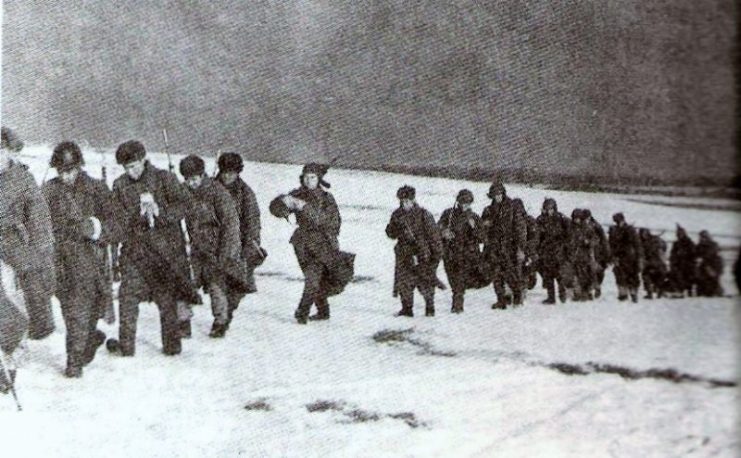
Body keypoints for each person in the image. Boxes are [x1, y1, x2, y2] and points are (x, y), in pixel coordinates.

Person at [109, 140, 198, 356]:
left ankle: (172, 347)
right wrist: (134, 217)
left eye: (134, 165)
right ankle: (126, 347)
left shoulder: (164, 179)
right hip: (134, 252)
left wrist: (161, 212)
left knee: (166, 300)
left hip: (164, 253)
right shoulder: (120, 185)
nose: (131, 171)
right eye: (126, 167)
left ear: (143, 160)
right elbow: (116, 216)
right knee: (127, 296)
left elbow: (187, 205)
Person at [41, 141, 112, 377]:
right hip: (62, 262)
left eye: (70, 170)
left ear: (80, 167)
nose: (66, 176)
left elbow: (118, 223)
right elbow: (37, 223)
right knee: (72, 312)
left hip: (92, 261)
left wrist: (96, 227)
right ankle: (74, 362)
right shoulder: (48, 191)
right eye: (61, 171)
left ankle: (87, 344)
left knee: (90, 312)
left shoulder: (97, 188)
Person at [180, 155, 248, 338]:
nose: (190, 183)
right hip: (196, 248)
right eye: (187, 179)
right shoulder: (184, 191)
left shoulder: (218, 193)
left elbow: (231, 226)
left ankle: (220, 322)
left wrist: (225, 255)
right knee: (183, 282)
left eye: (194, 179)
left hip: (216, 248)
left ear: (202, 175)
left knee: (216, 286)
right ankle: (183, 322)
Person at [0, 126, 56, 340]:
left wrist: (42, 247)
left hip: (11, 236)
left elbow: (38, 216)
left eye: (1, 151)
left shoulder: (23, 179)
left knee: (30, 268)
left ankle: (40, 321)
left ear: (9, 152)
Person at [272, 163, 344, 324]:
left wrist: (304, 207)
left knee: (313, 277)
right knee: (312, 278)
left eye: (312, 177)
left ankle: (302, 312)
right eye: (306, 177)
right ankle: (323, 310)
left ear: (319, 179)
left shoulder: (327, 198)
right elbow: (276, 210)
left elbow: (328, 221)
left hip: (322, 243)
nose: (309, 180)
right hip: (302, 243)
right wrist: (282, 203)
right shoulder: (297, 194)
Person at [215, 152, 263, 326]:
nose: (227, 176)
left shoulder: (245, 193)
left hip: (239, 244)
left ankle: (227, 311)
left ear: (238, 172)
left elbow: (253, 219)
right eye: (224, 172)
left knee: (238, 285)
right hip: (215, 244)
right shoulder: (211, 188)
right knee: (218, 283)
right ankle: (221, 317)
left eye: (232, 172)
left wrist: (252, 241)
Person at [386, 185, 444, 317]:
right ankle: (407, 309)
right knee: (404, 282)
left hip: (421, 253)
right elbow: (391, 234)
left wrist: (435, 257)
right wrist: (393, 229)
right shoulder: (397, 214)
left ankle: (429, 308)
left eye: (407, 201)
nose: (404, 204)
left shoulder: (424, 214)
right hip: (403, 254)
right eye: (402, 201)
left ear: (413, 200)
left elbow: (434, 236)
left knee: (425, 281)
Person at [438, 189, 486, 313]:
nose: (465, 205)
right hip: (450, 252)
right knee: (452, 277)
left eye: (468, 203)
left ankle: (457, 305)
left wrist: (474, 227)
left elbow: (482, 238)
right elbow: (438, 228)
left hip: (466, 254)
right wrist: (444, 232)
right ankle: (458, 295)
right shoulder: (448, 214)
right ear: (458, 201)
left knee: (459, 279)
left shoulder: (474, 217)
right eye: (463, 202)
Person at [481, 181, 527, 308]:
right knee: (496, 275)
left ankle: (517, 297)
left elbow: (520, 229)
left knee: (510, 274)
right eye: (494, 195)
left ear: (503, 193)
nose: (497, 197)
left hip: (509, 247)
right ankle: (501, 300)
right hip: (494, 247)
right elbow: (483, 230)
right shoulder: (489, 210)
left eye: (499, 194)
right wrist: (485, 227)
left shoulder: (513, 208)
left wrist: (520, 248)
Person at [535, 198, 570, 304]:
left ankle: (562, 294)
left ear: (554, 208)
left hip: (558, 251)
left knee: (559, 274)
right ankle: (551, 297)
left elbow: (569, 231)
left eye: (551, 208)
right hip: (546, 252)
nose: (549, 211)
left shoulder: (561, 218)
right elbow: (537, 236)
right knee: (548, 275)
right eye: (547, 208)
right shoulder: (540, 219)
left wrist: (565, 245)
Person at [608, 212, 643, 302]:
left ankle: (633, 293)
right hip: (619, 257)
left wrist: (639, 257)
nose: (618, 223)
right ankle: (623, 293)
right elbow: (611, 244)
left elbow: (637, 244)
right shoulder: (614, 230)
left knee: (632, 275)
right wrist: (612, 256)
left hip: (630, 257)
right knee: (619, 274)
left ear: (623, 220)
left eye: (619, 221)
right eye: (616, 222)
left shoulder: (630, 230)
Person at [567, 209, 597, 301]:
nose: (576, 220)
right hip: (573, 256)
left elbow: (595, 239)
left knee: (585, 275)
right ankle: (577, 293)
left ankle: (586, 292)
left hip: (584, 256)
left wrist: (588, 242)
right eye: (575, 218)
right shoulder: (570, 228)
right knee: (574, 276)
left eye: (578, 218)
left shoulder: (587, 228)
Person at [583, 209, 610, 298]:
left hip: (597, 253)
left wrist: (606, 254)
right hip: (586, 253)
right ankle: (589, 291)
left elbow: (603, 240)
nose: (585, 220)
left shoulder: (596, 226)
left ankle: (597, 287)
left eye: (587, 218)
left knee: (597, 272)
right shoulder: (581, 225)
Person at [638, 228, 668, 299]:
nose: (643, 235)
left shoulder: (646, 242)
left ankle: (652, 293)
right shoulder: (655, 239)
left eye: (644, 233)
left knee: (647, 275)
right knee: (650, 276)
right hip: (657, 263)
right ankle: (655, 292)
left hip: (654, 262)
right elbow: (664, 247)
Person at [668, 225, 697, 297]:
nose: (679, 235)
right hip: (678, 264)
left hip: (688, 264)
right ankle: (678, 290)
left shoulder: (689, 243)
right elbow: (672, 254)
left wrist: (684, 254)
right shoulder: (676, 244)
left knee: (689, 276)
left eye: (680, 234)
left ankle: (689, 291)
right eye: (678, 234)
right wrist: (673, 263)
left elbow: (693, 254)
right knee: (674, 274)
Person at [695, 230, 723, 297]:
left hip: (713, 265)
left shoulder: (713, 244)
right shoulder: (699, 246)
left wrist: (702, 258)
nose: (702, 239)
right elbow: (695, 253)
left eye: (704, 237)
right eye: (701, 237)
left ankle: (717, 291)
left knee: (712, 278)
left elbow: (711, 253)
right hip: (703, 266)